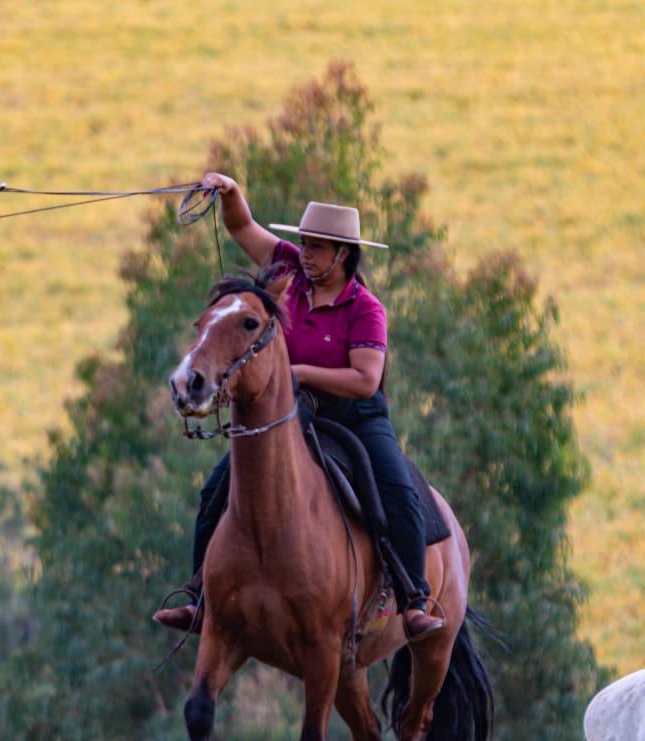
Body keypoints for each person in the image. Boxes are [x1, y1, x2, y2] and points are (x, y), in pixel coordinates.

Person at [153, 172, 444, 642]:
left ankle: (413, 601)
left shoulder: (365, 308)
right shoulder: (287, 268)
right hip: (293, 411)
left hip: (355, 415)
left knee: (397, 490)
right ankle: (198, 598)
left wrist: (300, 374)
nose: (305, 253)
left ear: (343, 255)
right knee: (217, 488)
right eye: (304, 244)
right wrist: (229, 191)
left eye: (316, 247)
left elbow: (365, 380)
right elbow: (242, 226)